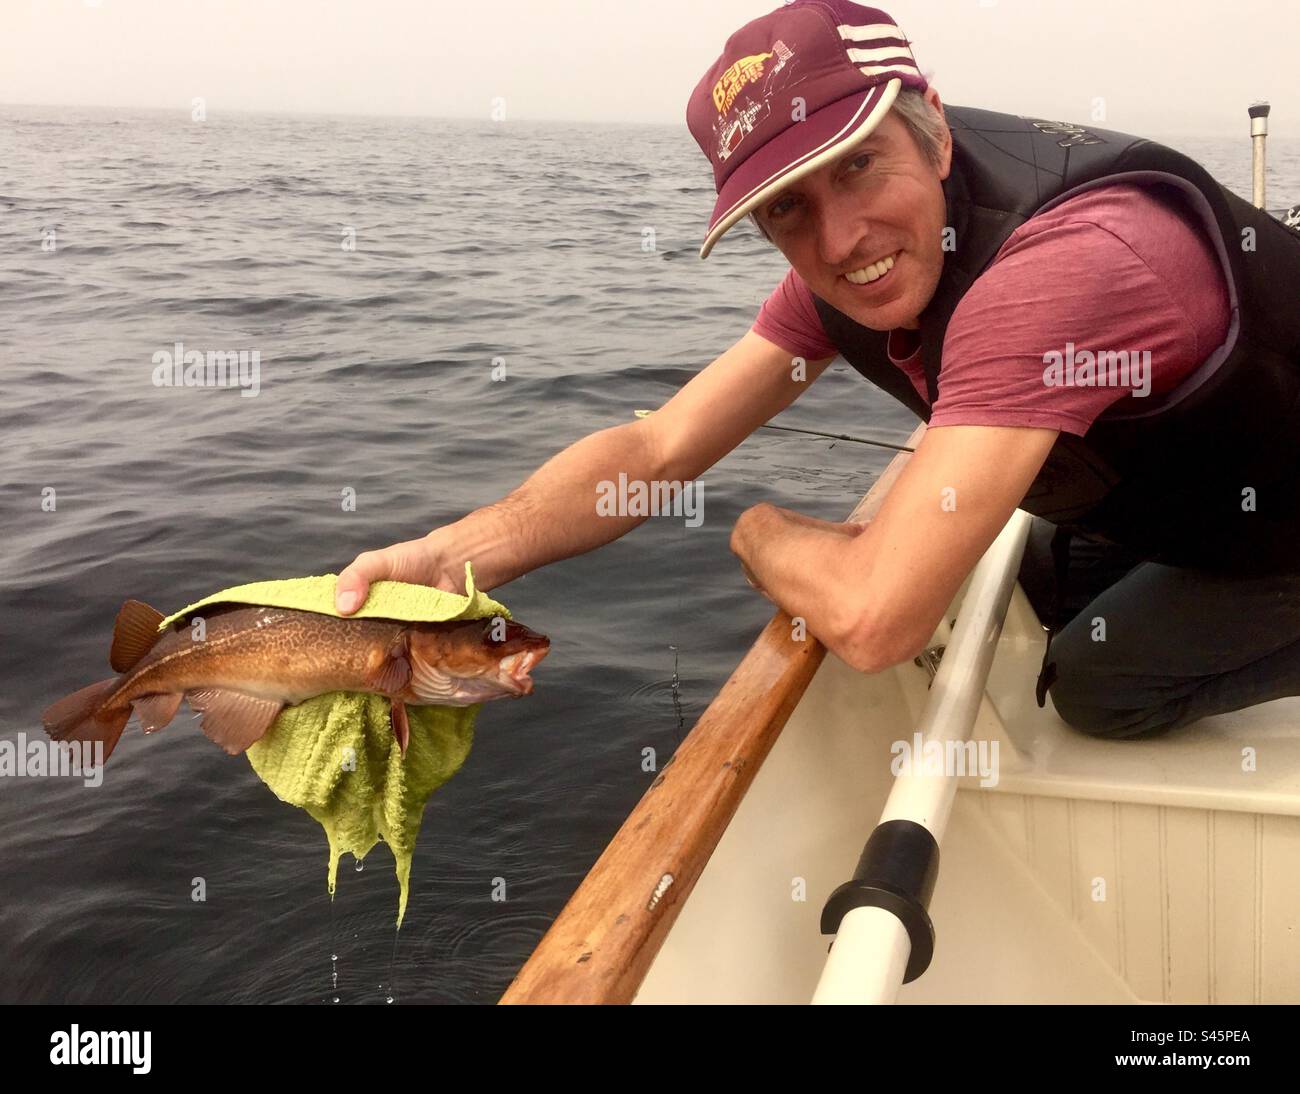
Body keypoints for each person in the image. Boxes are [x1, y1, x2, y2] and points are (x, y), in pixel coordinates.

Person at [337, 0, 1300, 740]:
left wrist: (759, 531)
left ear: (933, 128)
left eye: (857, 166)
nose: (841, 242)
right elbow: (659, 446)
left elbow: (876, 620)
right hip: (1235, 491)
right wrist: (444, 556)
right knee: (1038, 579)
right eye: (787, 208)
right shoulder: (853, 279)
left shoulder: (1067, 266)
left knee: (1100, 685)